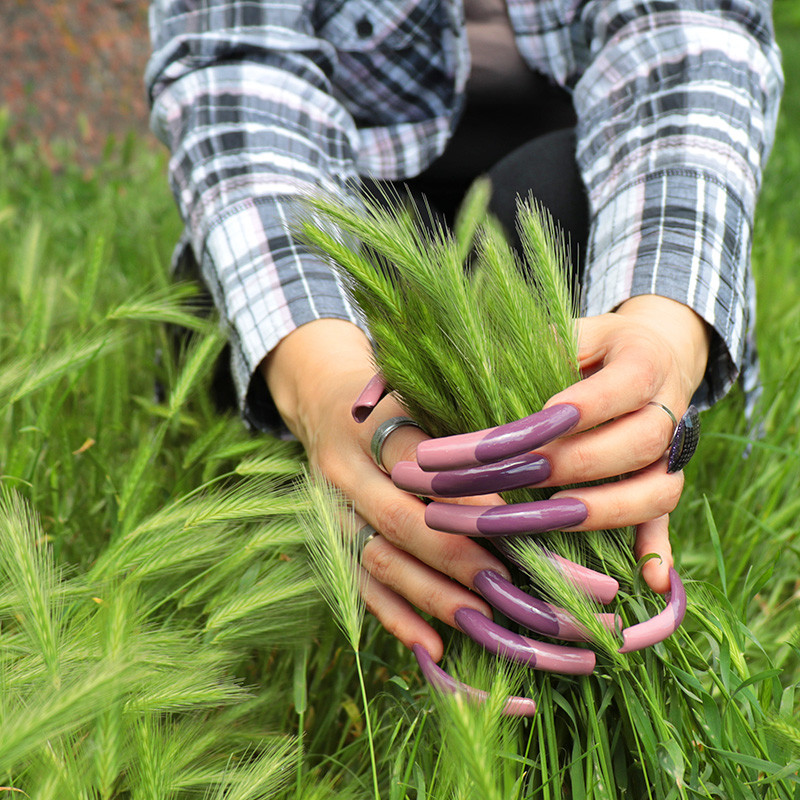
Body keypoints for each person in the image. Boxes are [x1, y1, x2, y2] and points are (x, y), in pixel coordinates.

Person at [146, 0, 783, 663]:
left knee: (552, 206)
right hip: (349, 196)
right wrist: (319, 379)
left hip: (576, 200)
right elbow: (235, 69)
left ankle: (551, 519)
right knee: (220, 310)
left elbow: (684, 39)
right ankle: (373, 487)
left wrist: (661, 332)